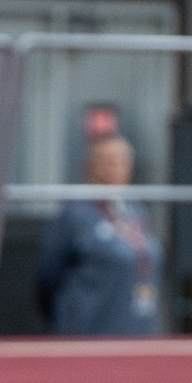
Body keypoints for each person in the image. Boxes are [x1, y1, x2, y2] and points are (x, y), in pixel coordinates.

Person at [35, 134, 162, 336]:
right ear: (89, 166)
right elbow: (49, 274)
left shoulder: (135, 210)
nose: (116, 168)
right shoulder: (75, 213)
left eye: (122, 161)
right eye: (108, 161)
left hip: (135, 328)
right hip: (90, 329)